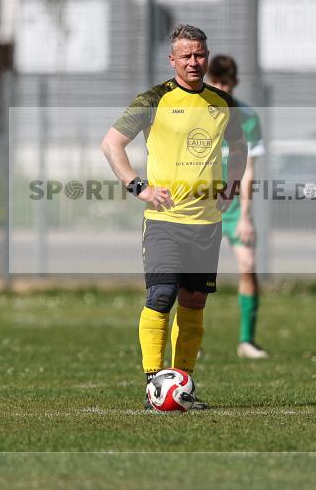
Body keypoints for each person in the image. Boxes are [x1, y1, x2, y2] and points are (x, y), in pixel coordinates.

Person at [100, 24, 247, 410]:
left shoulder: (222, 104)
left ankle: (184, 386)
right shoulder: (153, 99)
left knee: (194, 302)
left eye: (200, 55)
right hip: (164, 221)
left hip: (206, 224)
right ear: (172, 60)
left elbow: (240, 145)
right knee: (161, 295)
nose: (194, 62)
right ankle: (154, 386)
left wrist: (232, 184)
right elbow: (111, 143)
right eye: (186, 56)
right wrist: (139, 187)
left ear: (207, 56)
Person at [206, 55, 269, 359]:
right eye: (215, 82)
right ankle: (192, 342)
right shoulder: (196, 113)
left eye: (225, 83)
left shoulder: (247, 116)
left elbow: (249, 170)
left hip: (232, 210)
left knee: (248, 266)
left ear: (234, 84)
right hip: (201, 206)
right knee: (193, 276)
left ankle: (247, 341)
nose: (220, 87)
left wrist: (245, 216)